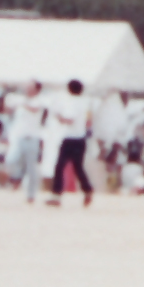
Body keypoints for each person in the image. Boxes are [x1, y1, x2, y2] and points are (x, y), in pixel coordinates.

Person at [47, 79, 95, 207]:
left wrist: (58, 116)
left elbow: (69, 119)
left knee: (60, 166)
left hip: (70, 138)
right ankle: (87, 189)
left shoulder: (71, 102)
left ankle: (56, 195)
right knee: (78, 167)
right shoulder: (85, 102)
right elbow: (88, 121)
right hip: (81, 138)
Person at [3, 80, 47, 203]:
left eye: (30, 87)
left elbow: (34, 109)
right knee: (11, 160)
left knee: (31, 167)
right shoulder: (20, 100)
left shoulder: (39, 100)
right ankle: (16, 178)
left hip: (33, 137)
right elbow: (8, 111)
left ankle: (31, 194)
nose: (27, 88)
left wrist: (21, 103)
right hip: (19, 136)